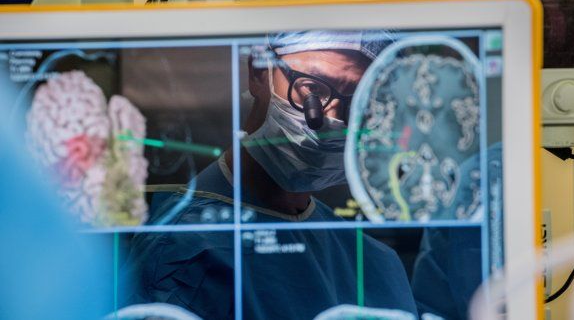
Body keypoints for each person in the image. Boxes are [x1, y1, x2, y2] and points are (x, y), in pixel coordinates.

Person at [123, 31, 418, 320]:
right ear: (258, 71)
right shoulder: (183, 253)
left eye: (361, 103)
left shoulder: (375, 263)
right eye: (313, 90)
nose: (333, 121)